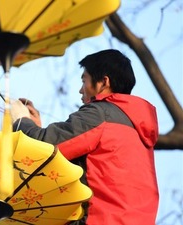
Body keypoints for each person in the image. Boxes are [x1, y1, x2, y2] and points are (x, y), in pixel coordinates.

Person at [10, 49, 159, 225]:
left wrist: (20, 121)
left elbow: (45, 148)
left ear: (104, 82)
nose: (81, 90)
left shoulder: (101, 113)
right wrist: (36, 127)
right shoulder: (136, 127)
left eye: (84, 80)